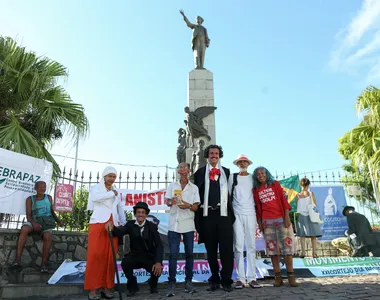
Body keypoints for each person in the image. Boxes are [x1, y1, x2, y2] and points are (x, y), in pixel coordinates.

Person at [194, 145, 235, 292]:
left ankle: (226, 280)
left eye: (216, 153)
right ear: (207, 155)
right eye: (211, 153)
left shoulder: (227, 172)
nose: (214, 155)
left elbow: (232, 194)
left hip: (224, 216)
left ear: (220, 155)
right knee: (210, 250)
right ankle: (215, 279)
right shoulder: (199, 173)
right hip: (207, 216)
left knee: (226, 250)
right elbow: (196, 194)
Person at [84, 166, 126, 300]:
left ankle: (107, 288)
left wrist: (122, 221)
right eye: (110, 176)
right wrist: (111, 194)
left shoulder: (116, 191)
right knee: (95, 256)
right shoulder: (95, 188)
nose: (112, 179)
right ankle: (93, 290)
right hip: (98, 223)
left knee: (110, 258)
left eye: (114, 176)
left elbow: (119, 207)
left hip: (113, 224)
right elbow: (96, 199)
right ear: (104, 176)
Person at [253, 167, 298, 287]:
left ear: (267, 174)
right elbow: (258, 207)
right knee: (273, 251)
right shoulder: (256, 189)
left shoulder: (275, 184)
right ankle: (278, 277)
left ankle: (291, 276)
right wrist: (259, 222)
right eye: (258, 174)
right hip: (267, 222)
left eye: (262, 173)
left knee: (287, 249)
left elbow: (283, 200)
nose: (260, 175)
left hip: (281, 219)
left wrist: (286, 216)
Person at [106, 202, 163, 297]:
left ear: (146, 214)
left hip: (148, 257)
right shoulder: (130, 224)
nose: (140, 214)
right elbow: (119, 233)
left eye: (143, 212)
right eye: (138, 212)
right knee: (125, 263)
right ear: (135, 214)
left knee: (157, 270)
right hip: (135, 255)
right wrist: (112, 227)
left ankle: (153, 286)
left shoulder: (152, 226)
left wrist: (158, 262)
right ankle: (133, 287)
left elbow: (159, 245)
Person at [12, 181, 64, 273]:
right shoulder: (30, 199)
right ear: (35, 188)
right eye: (40, 187)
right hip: (34, 221)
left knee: (47, 236)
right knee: (24, 229)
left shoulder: (48, 198)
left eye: (44, 187)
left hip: (46, 223)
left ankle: (43, 264)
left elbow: (52, 212)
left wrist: (58, 221)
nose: (42, 189)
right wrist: (34, 224)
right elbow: (28, 215)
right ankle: (17, 260)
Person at [165, 162, 200, 296]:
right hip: (174, 224)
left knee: (189, 254)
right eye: (180, 167)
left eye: (185, 167)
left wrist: (188, 205)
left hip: (188, 225)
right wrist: (171, 202)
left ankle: (188, 283)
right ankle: (171, 284)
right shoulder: (172, 186)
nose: (182, 169)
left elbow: (196, 207)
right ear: (178, 171)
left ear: (189, 170)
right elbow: (167, 202)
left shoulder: (194, 188)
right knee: (173, 255)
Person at [228, 154, 261, 289]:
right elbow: (228, 195)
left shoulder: (253, 178)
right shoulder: (232, 177)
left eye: (244, 162)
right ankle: (240, 278)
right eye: (240, 162)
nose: (242, 164)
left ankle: (252, 277)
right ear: (237, 164)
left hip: (250, 213)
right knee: (238, 245)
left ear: (248, 163)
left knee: (251, 245)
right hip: (237, 213)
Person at [296, 178, 322, 258]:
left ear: (300, 185)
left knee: (302, 235)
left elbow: (298, 205)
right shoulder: (311, 194)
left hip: (301, 215)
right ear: (308, 184)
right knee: (313, 235)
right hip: (311, 215)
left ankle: (303, 253)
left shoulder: (297, 195)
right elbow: (315, 205)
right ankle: (314, 253)